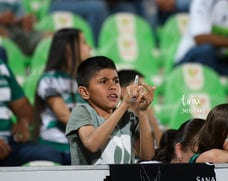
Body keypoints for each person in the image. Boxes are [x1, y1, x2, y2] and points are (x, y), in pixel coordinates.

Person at [65, 56, 155, 165]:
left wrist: (142, 111)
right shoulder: (82, 111)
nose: (113, 86)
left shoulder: (128, 117)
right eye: (104, 82)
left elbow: (147, 156)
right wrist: (124, 105)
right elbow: (92, 144)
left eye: (116, 81)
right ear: (84, 92)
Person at [32, 28, 91, 165]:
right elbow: (65, 117)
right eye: (83, 42)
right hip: (55, 146)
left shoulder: (87, 81)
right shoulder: (49, 79)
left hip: (81, 145)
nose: (89, 47)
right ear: (69, 48)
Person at [0, 56, 63, 166]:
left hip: (9, 145)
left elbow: (23, 109)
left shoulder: (2, 67)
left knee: (48, 155)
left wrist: (23, 123)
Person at [117, 69, 163, 161]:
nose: (142, 92)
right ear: (122, 90)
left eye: (144, 88)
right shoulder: (116, 116)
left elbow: (162, 147)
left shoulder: (147, 112)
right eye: (138, 87)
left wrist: (149, 115)